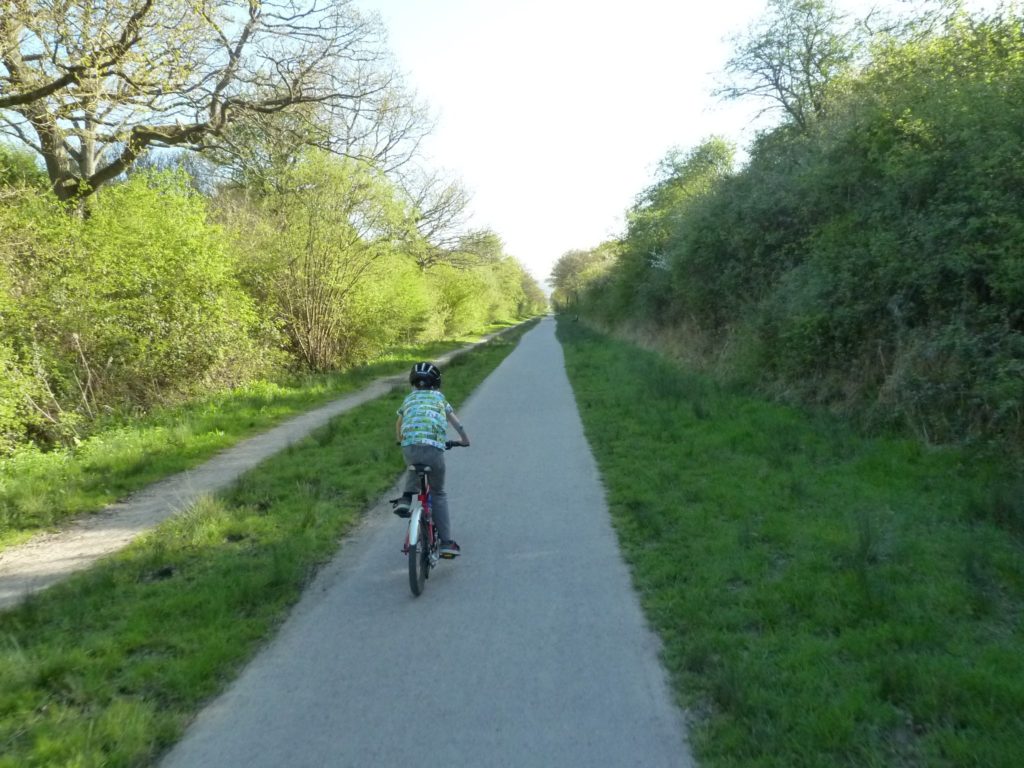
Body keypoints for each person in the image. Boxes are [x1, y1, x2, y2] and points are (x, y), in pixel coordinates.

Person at [393, 361, 470, 557]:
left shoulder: (409, 399)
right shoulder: (439, 399)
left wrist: (399, 440)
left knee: (413, 464)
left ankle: (405, 498)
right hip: (433, 450)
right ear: (436, 382)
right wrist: (464, 440)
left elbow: (399, 423)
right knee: (438, 493)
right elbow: (457, 423)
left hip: (409, 447)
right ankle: (446, 543)